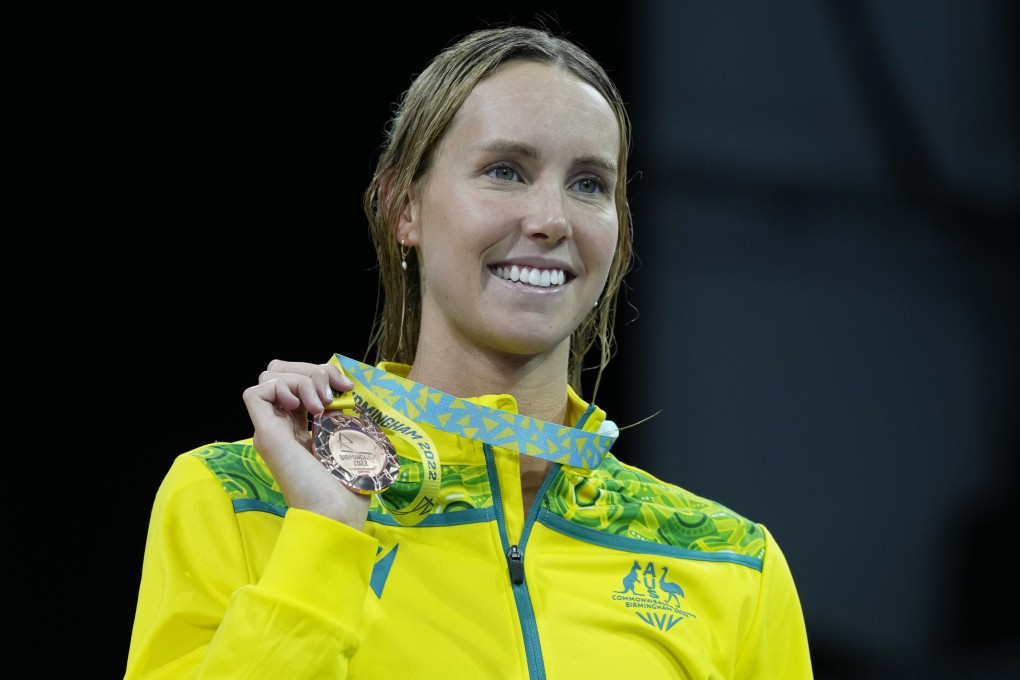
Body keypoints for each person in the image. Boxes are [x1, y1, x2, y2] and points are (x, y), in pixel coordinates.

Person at [124, 23, 814, 679]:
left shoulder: (730, 562)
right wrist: (325, 535)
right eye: (506, 171)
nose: (550, 220)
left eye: (588, 184)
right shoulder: (237, 499)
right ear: (405, 207)